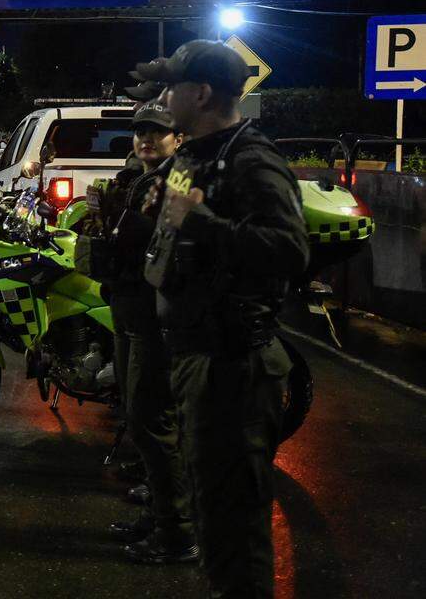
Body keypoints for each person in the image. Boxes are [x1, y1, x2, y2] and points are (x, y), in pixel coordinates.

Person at [134, 40, 309, 597]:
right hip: (194, 354)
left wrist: (201, 221)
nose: (163, 97)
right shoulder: (196, 154)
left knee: (235, 520)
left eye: (171, 87)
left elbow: (289, 250)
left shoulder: (251, 158)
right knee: (212, 509)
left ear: (201, 93)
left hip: (233, 364)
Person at [93, 100, 195, 564]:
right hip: (129, 305)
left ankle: (177, 534)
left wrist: (125, 225)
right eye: (140, 132)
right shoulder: (142, 178)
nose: (146, 139)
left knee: (153, 422)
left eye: (157, 132)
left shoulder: (179, 178)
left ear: (178, 138)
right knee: (139, 416)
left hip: (153, 316)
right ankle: (159, 514)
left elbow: (167, 241)